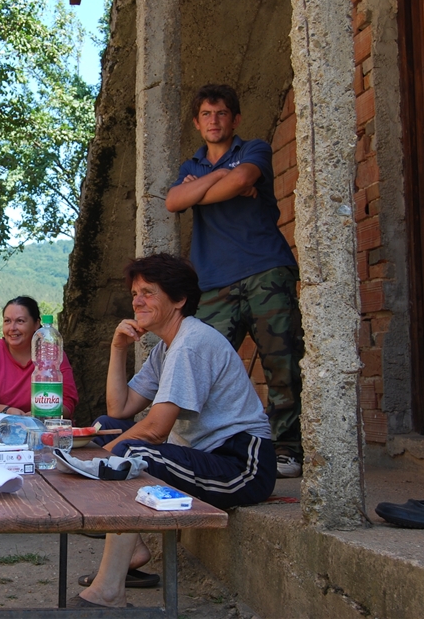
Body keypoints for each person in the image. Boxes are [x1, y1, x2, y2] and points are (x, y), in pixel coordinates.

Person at [70, 252, 275, 609]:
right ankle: (130, 551)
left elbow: (154, 430)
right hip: (206, 457)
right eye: (135, 293)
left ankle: (108, 591)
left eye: (148, 292)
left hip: (242, 465)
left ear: (179, 299)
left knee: (128, 454)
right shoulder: (166, 347)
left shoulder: (191, 344)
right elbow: (121, 409)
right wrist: (117, 349)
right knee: (107, 428)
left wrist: (93, 462)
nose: (137, 301)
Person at [165, 83, 304, 478]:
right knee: (202, 366)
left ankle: (288, 450)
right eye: (207, 114)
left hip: (265, 270)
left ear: (235, 119)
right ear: (197, 122)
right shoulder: (189, 165)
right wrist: (217, 179)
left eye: (222, 113)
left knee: (282, 361)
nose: (214, 120)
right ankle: (212, 446)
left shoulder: (253, 148)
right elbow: (174, 201)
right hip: (212, 282)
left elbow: (244, 179)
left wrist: (201, 188)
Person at [0, 296, 78, 419]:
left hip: (45, 429)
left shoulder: (52, 353)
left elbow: (68, 403)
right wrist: (7, 411)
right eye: (7, 321)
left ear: (36, 324)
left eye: (20, 321)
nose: (12, 328)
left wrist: (43, 415)